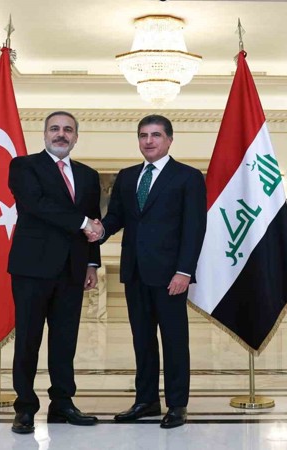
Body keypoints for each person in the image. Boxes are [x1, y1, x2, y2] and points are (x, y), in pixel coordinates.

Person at [88, 114, 207, 428]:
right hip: (135, 272)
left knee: (174, 340)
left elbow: (194, 227)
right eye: (143, 135)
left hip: (170, 276)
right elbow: (116, 217)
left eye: (156, 135)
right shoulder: (127, 177)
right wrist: (100, 231)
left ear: (169, 139)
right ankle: (146, 400)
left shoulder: (188, 177)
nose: (149, 141)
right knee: (142, 340)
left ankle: (177, 404)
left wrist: (184, 271)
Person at [7, 111, 104, 433]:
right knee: (28, 340)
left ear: (76, 137)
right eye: (55, 129)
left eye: (68, 130)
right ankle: (25, 407)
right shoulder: (23, 166)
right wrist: (83, 222)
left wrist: (91, 263)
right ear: (45, 134)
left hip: (72, 270)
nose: (61, 134)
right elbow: (36, 204)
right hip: (32, 269)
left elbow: (92, 221)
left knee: (65, 341)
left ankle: (62, 403)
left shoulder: (88, 175)